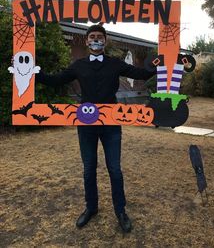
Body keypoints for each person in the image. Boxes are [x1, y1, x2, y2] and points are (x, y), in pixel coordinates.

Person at [36, 24, 155, 233]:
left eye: (100, 37)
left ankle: (120, 211)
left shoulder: (115, 64)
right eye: (92, 37)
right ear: (87, 41)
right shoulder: (78, 65)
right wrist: (33, 70)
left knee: (115, 170)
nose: (96, 40)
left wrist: (161, 63)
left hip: (111, 125)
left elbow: (142, 74)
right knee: (89, 169)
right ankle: (91, 208)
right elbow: (55, 80)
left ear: (105, 41)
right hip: (86, 124)